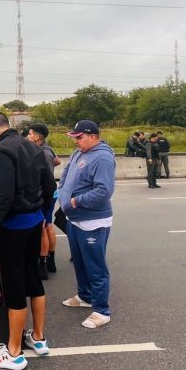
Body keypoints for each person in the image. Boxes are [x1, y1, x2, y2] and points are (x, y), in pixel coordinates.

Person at [0, 111, 55, 370]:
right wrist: (45, 216)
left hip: (13, 225)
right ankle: (38, 337)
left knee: (14, 285)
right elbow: (49, 186)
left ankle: (13, 352)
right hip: (34, 221)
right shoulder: (32, 145)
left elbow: (4, 195)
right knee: (33, 278)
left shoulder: (2, 150)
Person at [59, 120, 115, 330]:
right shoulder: (79, 153)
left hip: (93, 221)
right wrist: (62, 193)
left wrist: (76, 201)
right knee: (80, 262)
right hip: (74, 219)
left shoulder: (102, 157)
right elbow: (66, 175)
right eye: (74, 137)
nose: (76, 141)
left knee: (95, 266)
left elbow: (104, 191)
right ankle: (85, 296)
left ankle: (101, 310)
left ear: (93, 136)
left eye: (79, 137)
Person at [27, 123, 61, 279]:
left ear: (37, 137)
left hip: (44, 195)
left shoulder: (43, 153)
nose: (28, 135)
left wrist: (38, 198)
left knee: (43, 228)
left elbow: (44, 178)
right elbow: (57, 161)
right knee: (48, 225)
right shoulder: (48, 150)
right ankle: (50, 262)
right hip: (49, 193)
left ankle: (43, 264)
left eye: (30, 133)